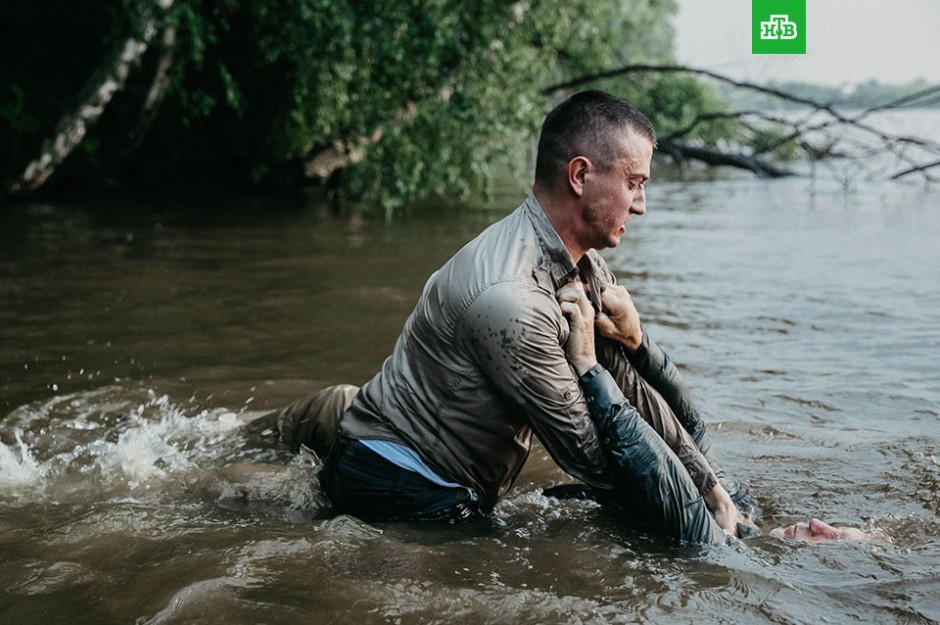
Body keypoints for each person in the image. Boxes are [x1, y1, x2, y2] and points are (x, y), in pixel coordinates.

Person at [258, 90, 754, 544]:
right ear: (580, 176)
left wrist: (710, 486)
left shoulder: (581, 261)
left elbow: (629, 390)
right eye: (634, 183)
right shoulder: (513, 302)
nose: (642, 205)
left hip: (378, 420)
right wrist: (697, 518)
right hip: (407, 487)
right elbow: (596, 458)